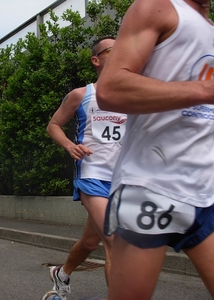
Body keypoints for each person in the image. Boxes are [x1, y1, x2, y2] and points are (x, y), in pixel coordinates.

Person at [95, 0, 214, 299]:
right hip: (149, 186)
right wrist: (211, 90)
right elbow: (111, 89)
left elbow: (197, 108)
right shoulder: (155, 7)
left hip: (208, 190)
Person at [42, 37, 127, 300]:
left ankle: (62, 273)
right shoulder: (82, 95)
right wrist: (70, 146)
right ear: (96, 59)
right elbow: (53, 125)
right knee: (113, 240)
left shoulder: (130, 96)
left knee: (91, 242)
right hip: (92, 175)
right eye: (113, 49)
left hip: (122, 180)